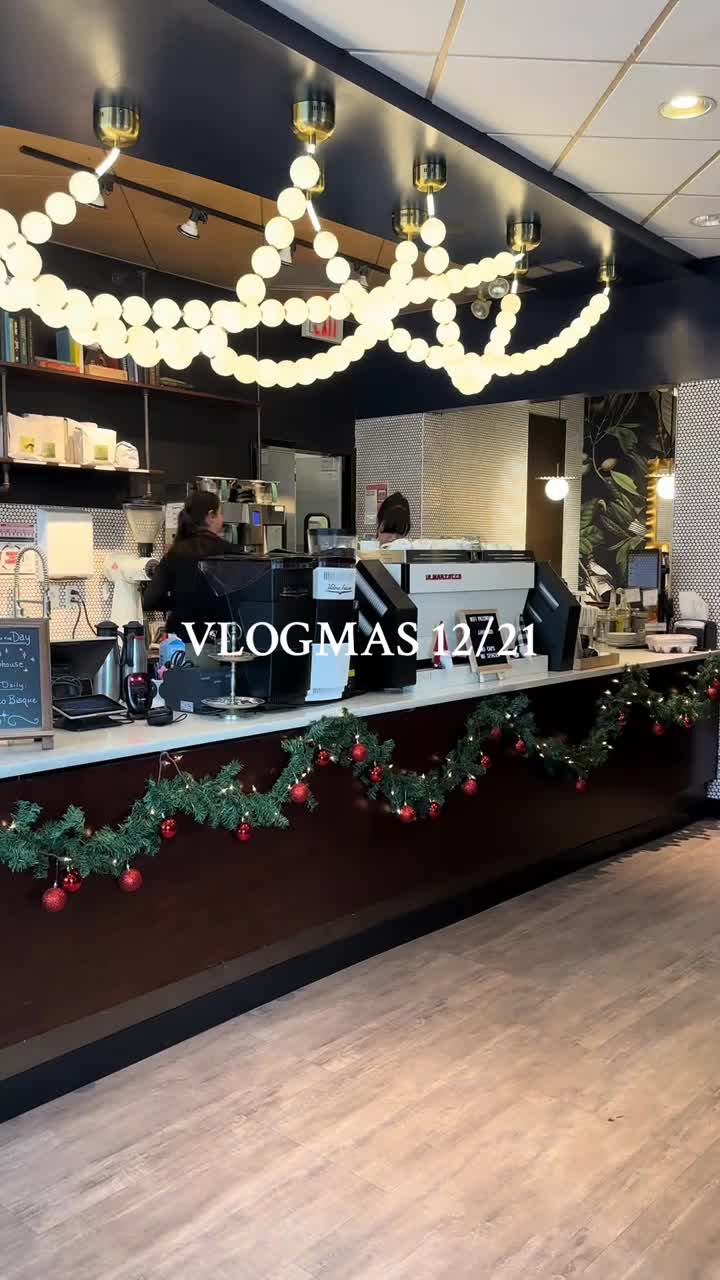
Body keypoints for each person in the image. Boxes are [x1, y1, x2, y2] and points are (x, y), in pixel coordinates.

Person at [142, 491, 240, 639]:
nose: (222, 518)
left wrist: (180, 600)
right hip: (220, 638)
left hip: (181, 639)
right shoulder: (230, 552)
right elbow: (241, 599)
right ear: (210, 515)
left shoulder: (175, 552)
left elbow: (150, 600)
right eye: (220, 513)